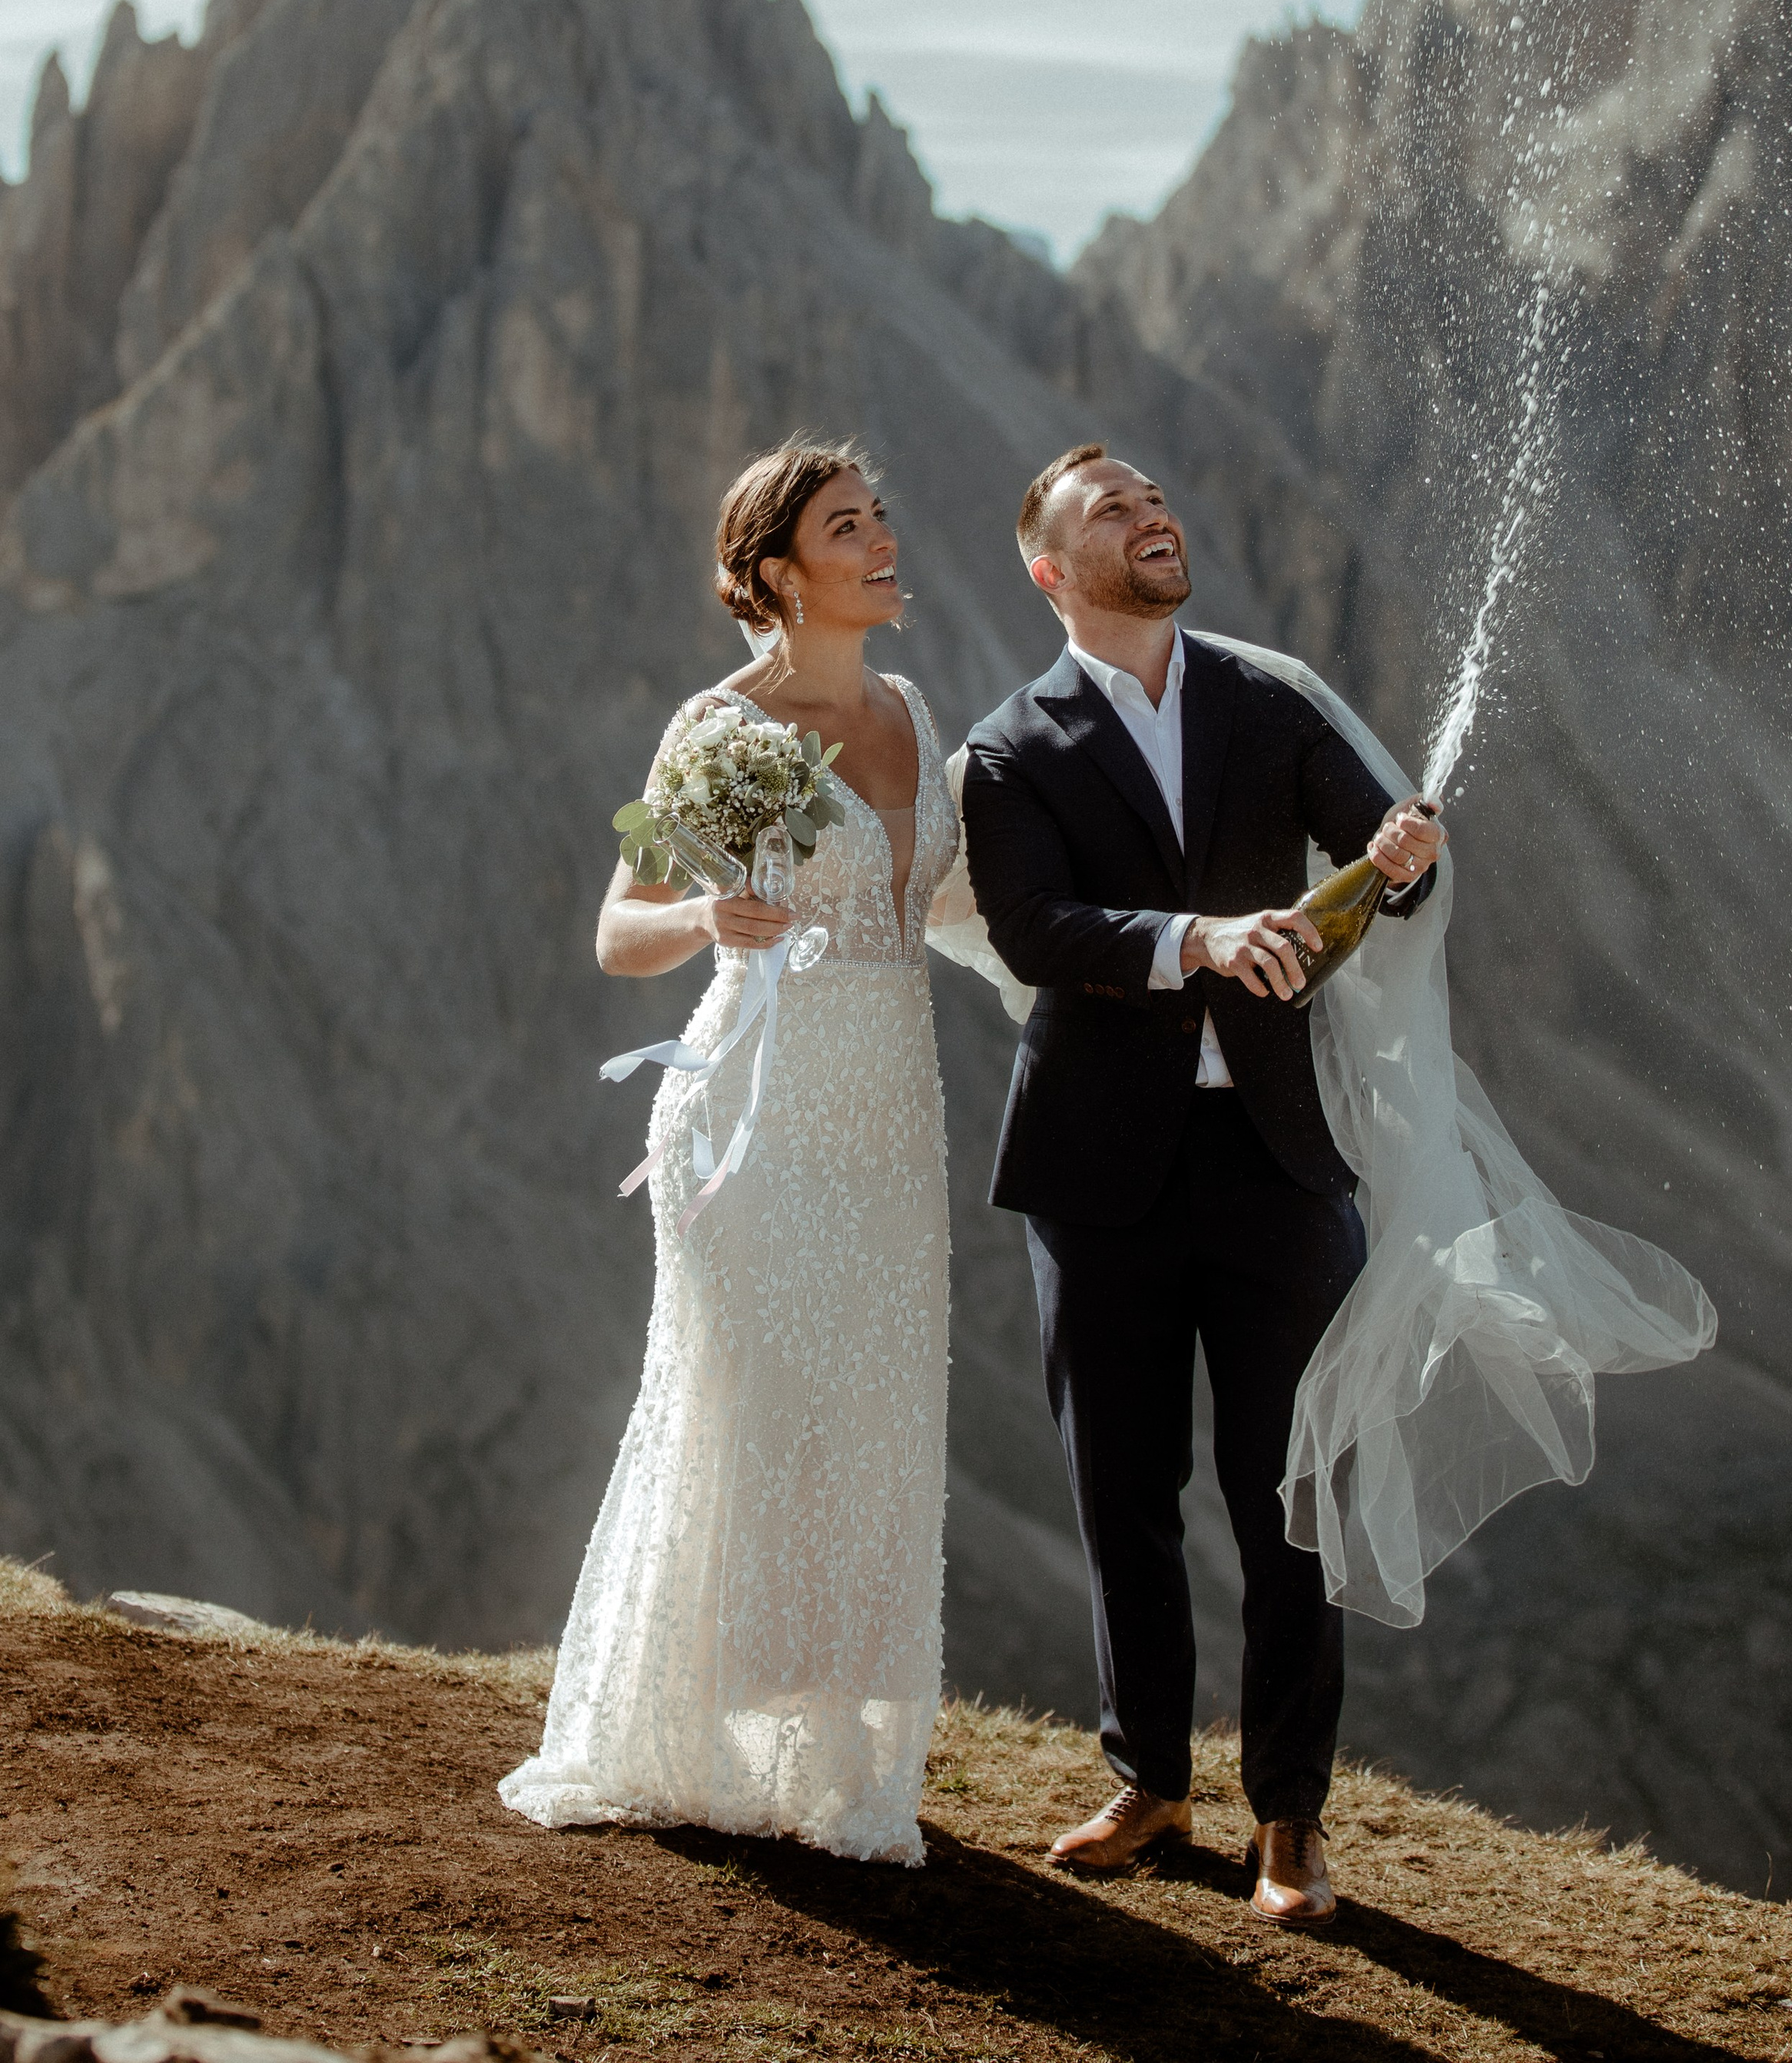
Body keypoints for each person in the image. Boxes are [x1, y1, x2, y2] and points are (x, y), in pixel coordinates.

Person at [959, 443, 1445, 1928]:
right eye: (1113, 511)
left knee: (1292, 1492)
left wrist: (1404, 855)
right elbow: (1038, 931)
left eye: (1158, 500)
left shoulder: (1268, 699)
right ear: (1052, 571)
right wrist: (1200, 938)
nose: (1153, 516)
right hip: (1095, 1171)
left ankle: (1289, 1821)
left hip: (1278, 1162)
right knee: (1124, 1491)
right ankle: (1150, 1781)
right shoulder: (1007, 747)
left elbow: (1380, 842)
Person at [499, 442, 959, 1865]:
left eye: (881, 516)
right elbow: (615, 928)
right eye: (847, 527)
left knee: (871, 1421)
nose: (883, 541)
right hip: (749, 1119)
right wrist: (709, 919)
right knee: (745, 1403)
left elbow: (945, 904)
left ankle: (828, 1764)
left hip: (893, 1117)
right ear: (777, 574)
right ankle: (680, 1735)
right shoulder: (719, 727)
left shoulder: (913, 709)